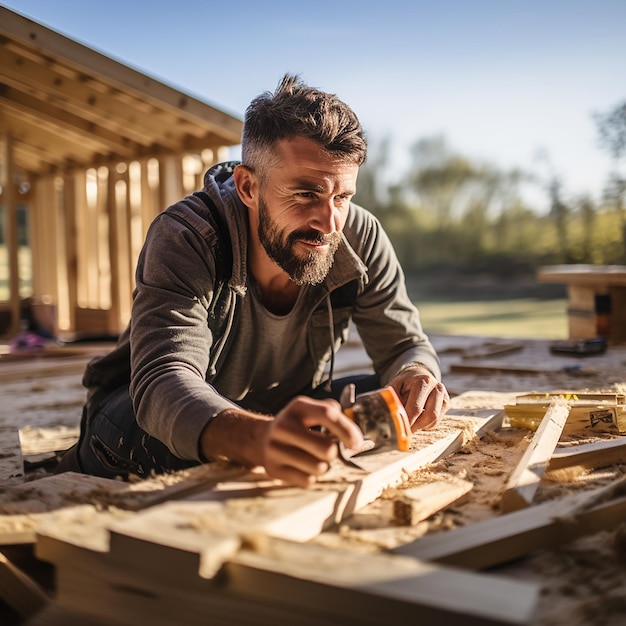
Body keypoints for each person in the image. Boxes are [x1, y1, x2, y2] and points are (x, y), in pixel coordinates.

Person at [56, 74, 450, 487]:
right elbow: (164, 380)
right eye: (306, 194)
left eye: (342, 197)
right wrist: (258, 439)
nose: (329, 222)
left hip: (283, 407)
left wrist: (417, 373)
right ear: (247, 186)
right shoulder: (187, 236)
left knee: (391, 406)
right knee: (190, 451)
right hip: (142, 415)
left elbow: (404, 345)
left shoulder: (358, 236)